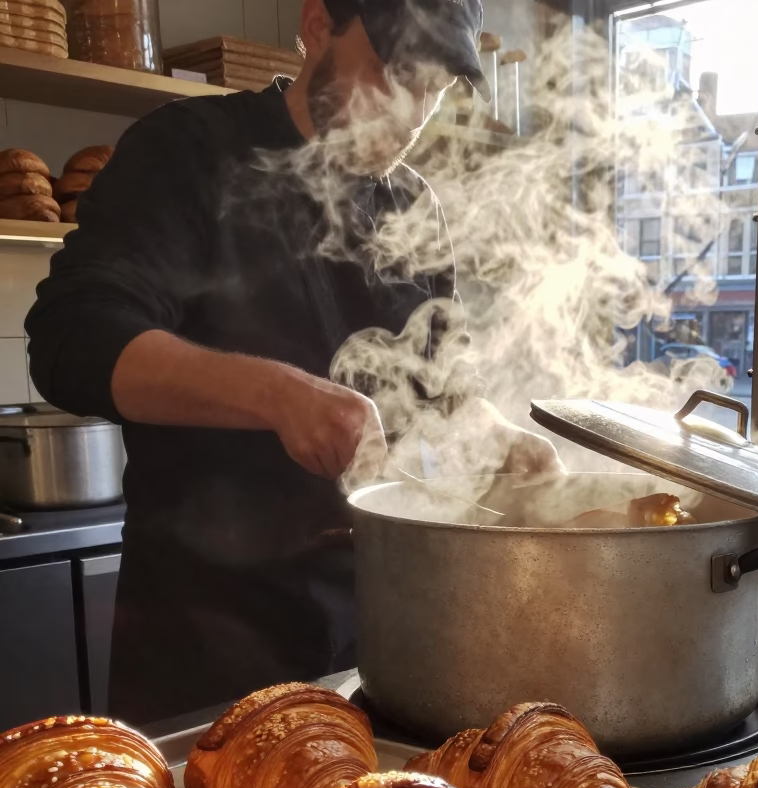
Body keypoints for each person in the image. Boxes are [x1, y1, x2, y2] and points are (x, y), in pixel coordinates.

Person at [26, 0, 557, 726]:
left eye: (433, 89)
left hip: (376, 646)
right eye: (396, 72)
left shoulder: (414, 206)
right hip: (207, 655)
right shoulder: (187, 151)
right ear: (317, 26)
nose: (411, 114)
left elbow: (445, 390)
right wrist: (276, 395)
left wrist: (500, 439)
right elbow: (70, 338)